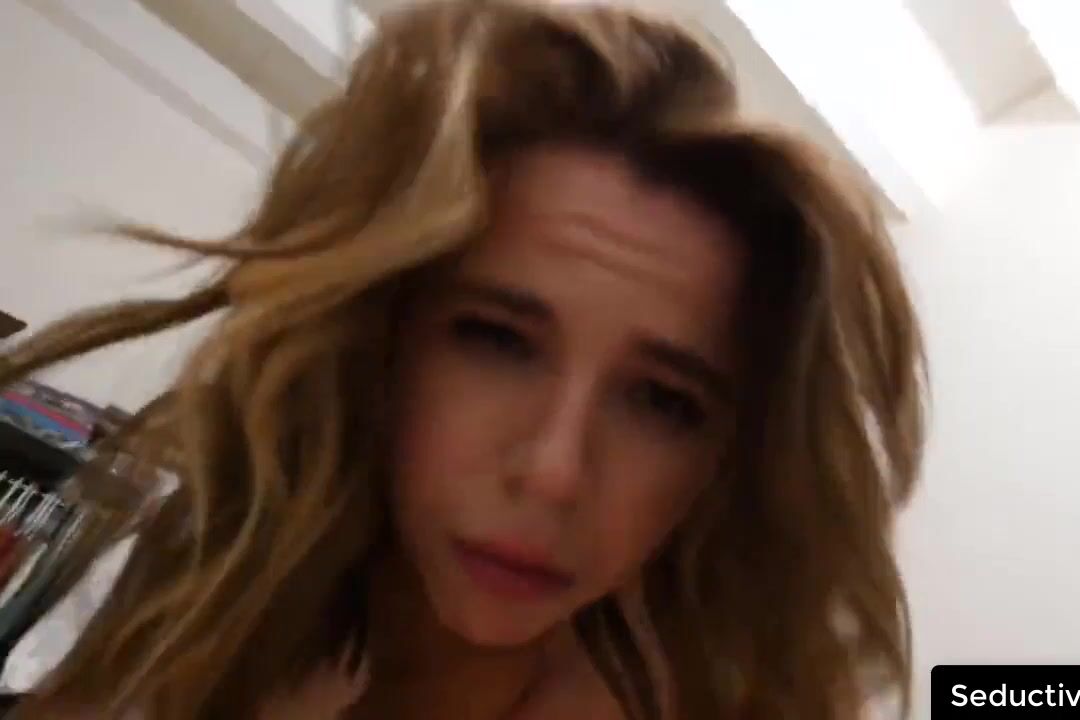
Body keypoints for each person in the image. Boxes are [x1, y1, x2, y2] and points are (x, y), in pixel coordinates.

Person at [0, 0, 926, 717]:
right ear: (383, 334)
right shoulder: (193, 601)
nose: (554, 472)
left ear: (727, 456)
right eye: (497, 339)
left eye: (664, 401)